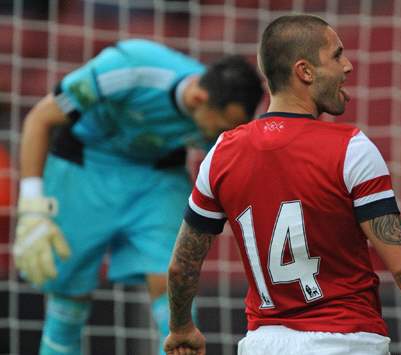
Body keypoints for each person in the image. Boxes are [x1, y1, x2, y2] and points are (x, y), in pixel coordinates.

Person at [164, 15, 401, 355]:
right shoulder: (351, 149)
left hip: (263, 344)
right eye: (337, 55)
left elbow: (181, 266)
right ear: (305, 71)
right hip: (346, 342)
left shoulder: (222, 153)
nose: (348, 66)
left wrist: (181, 327)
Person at [13, 38, 263, 355]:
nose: (223, 136)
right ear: (199, 99)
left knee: (175, 282)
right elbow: (40, 118)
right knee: (70, 296)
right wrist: (32, 205)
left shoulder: (219, 109)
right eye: (223, 127)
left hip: (155, 177)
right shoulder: (129, 68)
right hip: (86, 167)